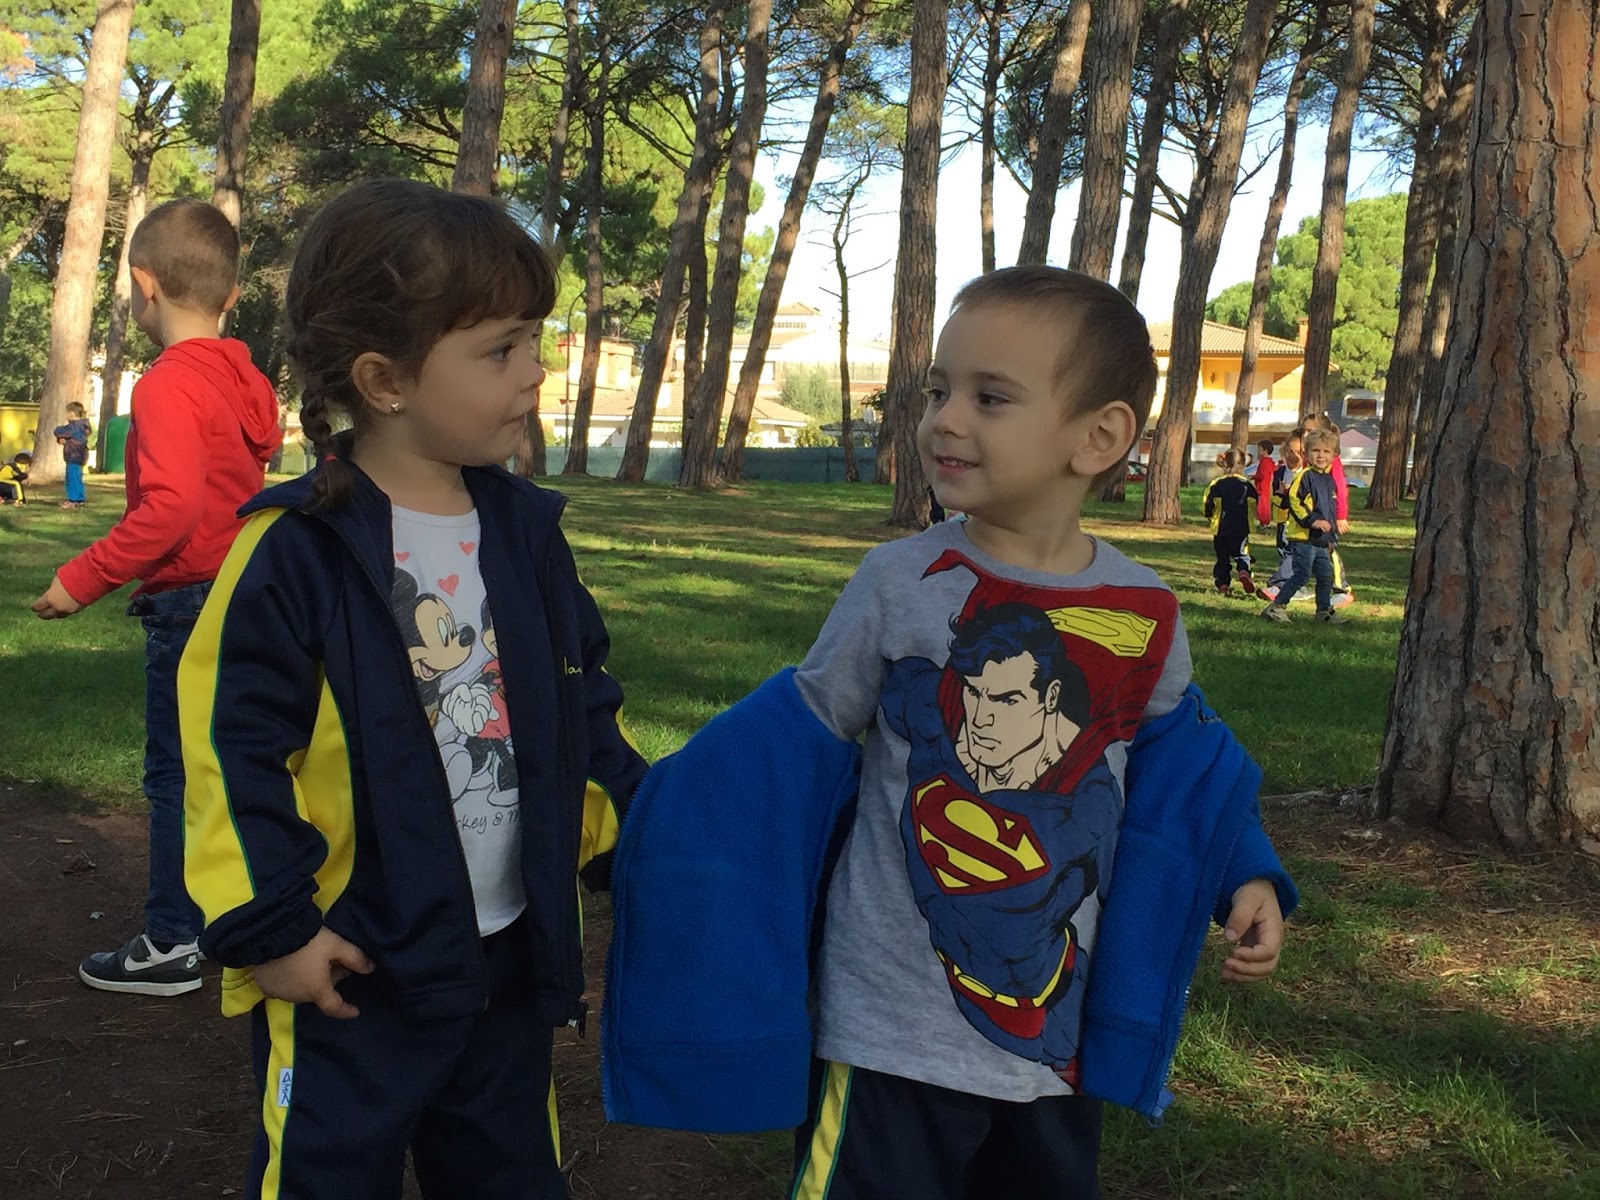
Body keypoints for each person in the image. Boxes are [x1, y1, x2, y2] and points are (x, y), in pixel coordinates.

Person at [600, 267, 1291, 1196]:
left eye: (989, 398)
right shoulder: (898, 583)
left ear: (1099, 436)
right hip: (885, 1026)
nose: (942, 420)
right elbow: (792, 737)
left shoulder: (1143, 611)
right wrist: (658, 811)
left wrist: (1246, 873)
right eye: (937, 391)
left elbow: (1182, 767)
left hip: (1053, 1038)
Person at [179, 179, 647, 1200]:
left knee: (510, 1173)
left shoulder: (526, 532)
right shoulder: (294, 550)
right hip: (352, 963)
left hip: (509, 954)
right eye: (501, 350)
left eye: (534, 341)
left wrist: (637, 837)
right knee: (325, 1176)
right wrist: (274, 929)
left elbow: (580, 705)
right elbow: (226, 747)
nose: (536, 372)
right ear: (384, 380)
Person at [31, 197, 282, 997]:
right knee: (238, 766)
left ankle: (173, 940)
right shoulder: (245, 380)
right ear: (231, 295)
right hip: (247, 594)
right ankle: (253, 917)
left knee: (176, 774)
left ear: (144, 284)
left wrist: (82, 578)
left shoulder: (170, 383)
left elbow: (170, 509)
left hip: (189, 603)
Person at [1260, 428, 1346, 624]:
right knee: (1302, 575)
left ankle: (1323, 611)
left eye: (1326, 451)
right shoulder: (1305, 476)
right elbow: (1294, 501)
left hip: (1321, 540)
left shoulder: (1329, 480)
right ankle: (1276, 607)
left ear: (1334, 455)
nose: (1321, 456)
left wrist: (1330, 537)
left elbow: (1329, 511)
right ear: (1306, 453)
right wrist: (1312, 521)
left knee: (1325, 576)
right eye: (1315, 451)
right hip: (1303, 537)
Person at [1201, 448, 1257, 595]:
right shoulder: (1247, 485)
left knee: (1222, 558)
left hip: (1221, 528)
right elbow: (1254, 503)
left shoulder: (1216, 484)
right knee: (1241, 554)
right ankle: (1244, 571)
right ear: (1242, 464)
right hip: (1241, 527)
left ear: (1224, 463)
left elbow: (1207, 503)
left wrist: (1209, 515)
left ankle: (1223, 584)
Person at [54, 401, 92, 508]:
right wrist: (61, 439)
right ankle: (80, 499)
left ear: (71, 414)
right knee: (77, 477)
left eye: (67, 413)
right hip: (80, 456)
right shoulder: (83, 426)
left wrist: (60, 436)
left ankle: (73, 499)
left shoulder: (74, 427)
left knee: (72, 478)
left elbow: (59, 431)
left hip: (73, 455)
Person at [1252, 438, 1276, 528]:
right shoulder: (1270, 462)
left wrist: (1253, 476)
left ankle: (1264, 522)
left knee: (1263, 506)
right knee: (1264, 505)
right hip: (1266, 487)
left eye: (1259, 449)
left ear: (1265, 450)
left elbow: (1262, 475)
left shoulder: (1265, 462)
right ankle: (1264, 521)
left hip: (1263, 487)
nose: (1258, 451)